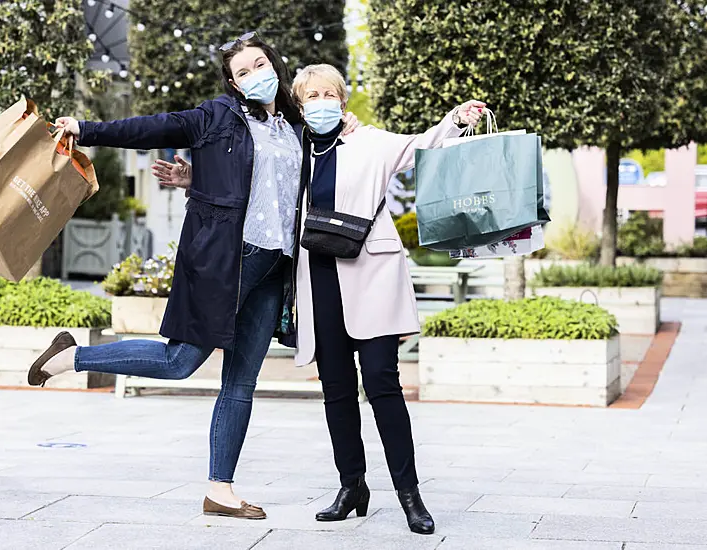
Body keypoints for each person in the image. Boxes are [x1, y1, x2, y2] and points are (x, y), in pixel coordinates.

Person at [26, 33, 358, 520]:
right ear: (232, 81)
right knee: (180, 361)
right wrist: (85, 128)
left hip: (276, 266)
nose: (254, 75)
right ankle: (72, 356)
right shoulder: (217, 116)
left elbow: (268, 184)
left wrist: (345, 125)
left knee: (241, 381)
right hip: (228, 259)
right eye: (243, 71)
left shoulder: (293, 124)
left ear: (275, 64)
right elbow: (151, 127)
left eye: (260, 64)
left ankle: (219, 491)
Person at [291, 64, 485, 534]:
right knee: (335, 390)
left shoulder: (369, 140)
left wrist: (457, 118)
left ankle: (410, 495)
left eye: (328, 93)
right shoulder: (293, 149)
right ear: (300, 105)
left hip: (371, 274)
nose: (320, 100)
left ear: (341, 99)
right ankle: (351, 485)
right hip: (317, 281)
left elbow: (423, 144)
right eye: (311, 95)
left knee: (382, 384)